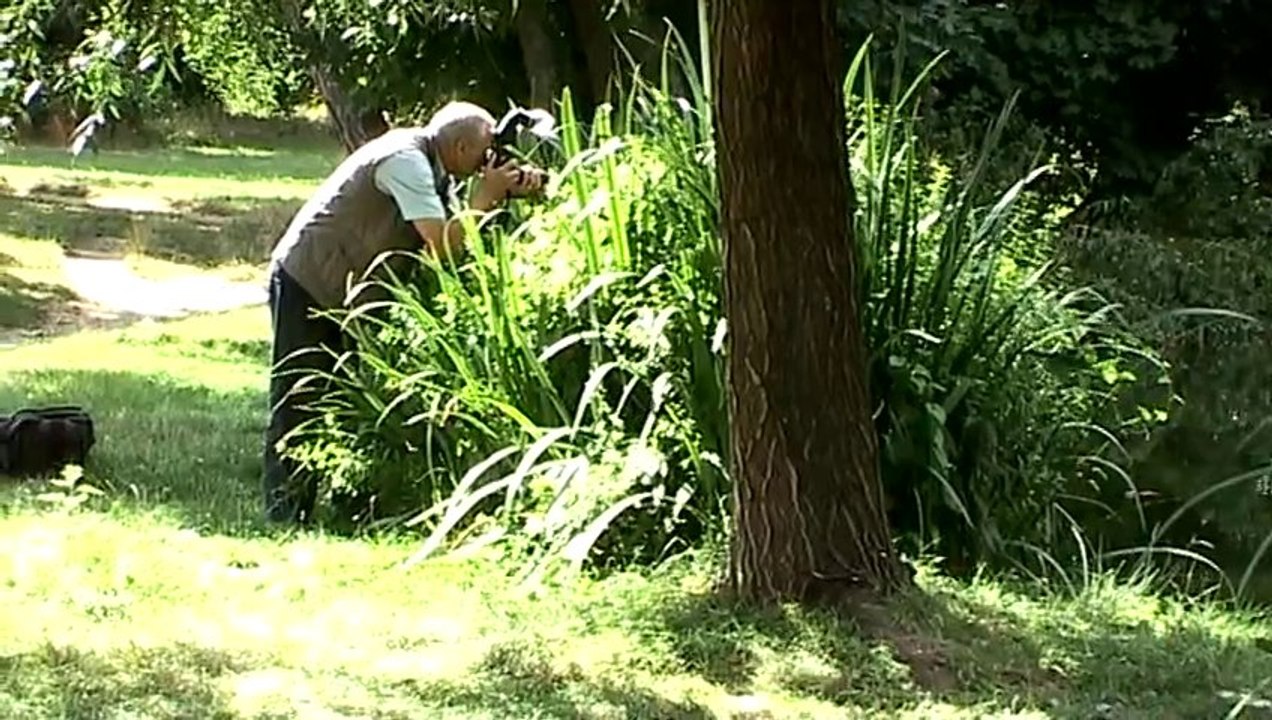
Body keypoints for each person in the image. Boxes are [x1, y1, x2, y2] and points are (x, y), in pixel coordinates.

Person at [262, 100, 543, 525]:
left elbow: (455, 239)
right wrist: (485, 197)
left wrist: (505, 195)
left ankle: (345, 501)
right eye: (486, 151)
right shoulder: (406, 162)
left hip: (346, 293)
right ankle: (284, 512)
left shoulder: (436, 169)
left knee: (349, 399)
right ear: (461, 147)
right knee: (299, 396)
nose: (489, 159)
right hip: (309, 280)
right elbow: (442, 245)